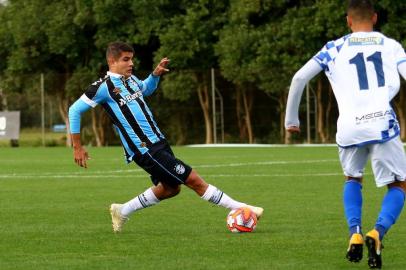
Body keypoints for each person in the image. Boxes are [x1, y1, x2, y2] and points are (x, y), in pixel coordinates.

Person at [68, 41, 263, 234]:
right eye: (126, 60)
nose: (131, 64)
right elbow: (74, 110)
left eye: (132, 59)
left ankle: (122, 210)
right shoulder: (103, 87)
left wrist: (154, 75)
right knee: (193, 179)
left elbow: (146, 89)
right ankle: (242, 208)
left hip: (158, 141)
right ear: (112, 61)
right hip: (143, 148)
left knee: (171, 188)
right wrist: (77, 146)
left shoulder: (132, 80)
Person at [285, 0, 406, 268]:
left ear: (348, 21)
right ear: (374, 18)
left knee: (353, 178)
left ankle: (355, 232)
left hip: (349, 127)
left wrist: (291, 119)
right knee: (398, 185)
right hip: (382, 124)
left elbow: (299, 78)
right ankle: (377, 232)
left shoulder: (333, 48)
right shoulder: (390, 45)